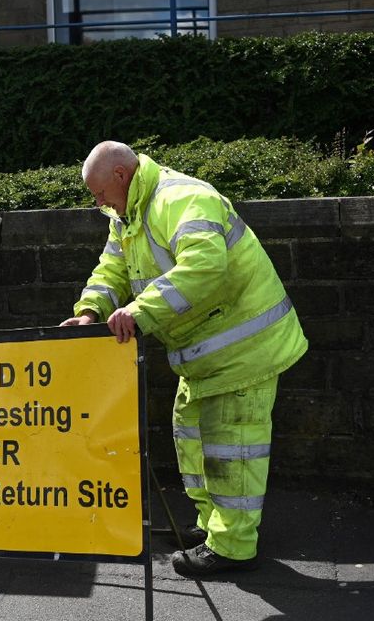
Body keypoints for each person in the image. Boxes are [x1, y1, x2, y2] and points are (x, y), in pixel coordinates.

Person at [60, 140, 308, 577]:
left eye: (99, 192)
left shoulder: (182, 198)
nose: (97, 202)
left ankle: (233, 548)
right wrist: (89, 311)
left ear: (120, 176)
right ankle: (213, 529)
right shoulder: (127, 214)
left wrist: (138, 312)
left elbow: (203, 267)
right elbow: (111, 269)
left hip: (245, 350)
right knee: (192, 440)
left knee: (233, 450)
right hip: (206, 351)